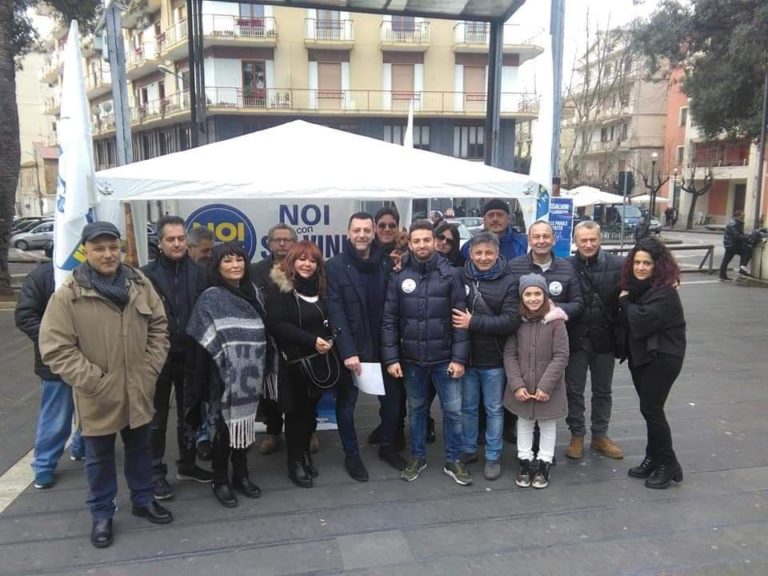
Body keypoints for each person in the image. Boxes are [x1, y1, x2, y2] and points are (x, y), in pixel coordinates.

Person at [40, 222, 171, 549]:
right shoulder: (70, 294)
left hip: (138, 388)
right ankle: (102, 514)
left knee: (140, 448)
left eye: (113, 247)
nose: (108, 254)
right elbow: (56, 347)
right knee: (99, 459)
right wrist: (92, 379)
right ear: (87, 251)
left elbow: (159, 327)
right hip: (97, 394)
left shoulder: (140, 284)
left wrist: (151, 367)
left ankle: (143, 500)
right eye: (99, 248)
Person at [186, 242, 278, 508]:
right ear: (217, 266)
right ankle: (220, 480)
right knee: (223, 430)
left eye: (239, 260)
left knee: (246, 424)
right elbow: (199, 336)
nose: (235, 265)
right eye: (228, 261)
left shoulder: (254, 293)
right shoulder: (210, 297)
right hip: (222, 376)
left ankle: (240, 474)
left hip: (250, 373)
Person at [381, 220, 471, 485]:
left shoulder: (451, 275)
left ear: (435, 242)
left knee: (453, 412)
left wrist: (459, 358)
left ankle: (453, 460)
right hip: (411, 360)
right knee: (417, 410)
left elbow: (460, 320)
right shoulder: (399, 276)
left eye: (426, 240)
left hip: (445, 359)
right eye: (416, 241)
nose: (422, 245)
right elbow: (389, 320)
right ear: (410, 244)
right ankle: (417, 457)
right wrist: (391, 359)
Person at [326, 213, 407, 479]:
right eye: (356, 230)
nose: (362, 235)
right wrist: (347, 351)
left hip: (384, 346)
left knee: (393, 402)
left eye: (366, 230)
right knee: (347, 405)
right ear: (348, 233)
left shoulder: (386, 263)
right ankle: (352, 454)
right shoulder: (334, 266)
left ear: (373, 233)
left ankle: (387, 446)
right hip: (353, 348)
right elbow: (335, 310)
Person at [141, 215, 211, 501]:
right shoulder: (145, 275)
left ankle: (188, 463)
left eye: (181, 238)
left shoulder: (201, 273)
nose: (177, 243)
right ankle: (155, 472)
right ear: (160, 243)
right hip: (158, 356)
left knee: (190, 413)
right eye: (171, 239)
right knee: (156, 417)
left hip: (192, 354)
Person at [265, 241, 340, 488]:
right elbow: (277, 325)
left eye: (312, 260)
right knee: (296, 415)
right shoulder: (281, 288)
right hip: (294, 364)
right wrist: (311, 340)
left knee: (310, 414)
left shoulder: (322, 288)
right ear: (292, 261)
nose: (307, 264)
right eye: (302, 259)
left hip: (319, 363)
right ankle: (294, 462)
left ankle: (305, 456)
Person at [507, 220, 584, 445]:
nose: (541, 241)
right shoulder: (515, 266)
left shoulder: (566, 267)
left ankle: (547, 451)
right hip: (524, 339)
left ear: (554, 239)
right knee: (525, 392)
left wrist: (555, 311)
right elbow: (510, 300)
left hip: (555, 341)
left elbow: (578, 302)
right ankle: (525, 449)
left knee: (551, 391)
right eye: (536, 236)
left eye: (545, 236)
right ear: (529, 240)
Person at [15, 243, 84, 489]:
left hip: (91, 359)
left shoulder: (88, 275)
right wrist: (54, 341)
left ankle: (81, 445)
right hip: (56, 363)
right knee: (56, 415)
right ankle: (44, 465)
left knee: (91, 409)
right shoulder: (41, 277)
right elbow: (25, 316)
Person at [619, 237, 686, 489]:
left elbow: (641, 321)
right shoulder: (638, 287)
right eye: (637, 262)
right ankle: (653, 456)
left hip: (663, 357)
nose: (640, 267)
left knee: (652, 409)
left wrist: (624, 302)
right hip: (642, 357)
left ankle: (668, 463)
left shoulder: (665, 293)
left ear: (658, 266)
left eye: (647, 263)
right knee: (649, 409)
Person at [452, 232, 519, 481]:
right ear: (470, 253)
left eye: (488, 253)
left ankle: (493, 455)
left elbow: (510, 321)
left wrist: (473, 322)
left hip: (494, 358)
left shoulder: (510, 281)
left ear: (497, 254)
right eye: (478, 253)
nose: (483, 258)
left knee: (493, 409)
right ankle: (469, 449)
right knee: (468, 408)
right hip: (467, 356)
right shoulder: (460, 276)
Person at [565, 221, 625, 460]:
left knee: (603, 391)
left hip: (605, 338)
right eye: (583, 240)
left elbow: (645, 277)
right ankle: (577, 434)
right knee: (574, 390)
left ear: (600, 239)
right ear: (575, 241)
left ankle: (600, 435)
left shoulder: (618, 264)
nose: (588, 244)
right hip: (576, 338)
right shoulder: (567, 266)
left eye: (592, 239)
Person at [503, 274, 569, 490]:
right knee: (524, 422)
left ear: (545, 294)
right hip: (522, 384)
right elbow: (510, 354)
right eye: (528, 294)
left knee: (548, 424)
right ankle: (524, 461)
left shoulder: (556, 322)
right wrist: (516, 384)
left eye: (537, 293)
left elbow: (561, 355)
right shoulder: (517, 322)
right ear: (522, 297)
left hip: (547, 385)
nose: (533, 298)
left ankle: (544, 463)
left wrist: (545, 386)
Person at [249, 224, 307, 456]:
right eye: (277, 240)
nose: (282, 244)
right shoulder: (255, 270)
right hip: (267, 340)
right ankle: (273, 432)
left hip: (298, 338)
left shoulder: (305, 266)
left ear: (294, 242)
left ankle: (308, 432)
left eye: (287, 240)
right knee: (270, 390)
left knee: (303, 391)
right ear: (268, 243)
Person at [461, 199, 527, 261]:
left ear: (508, 219)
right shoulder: (469, 246)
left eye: (500, 215)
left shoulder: (524, 243)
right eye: (490, 215)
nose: (495, 219)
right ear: (484, 220)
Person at [719, 210, 753, 281]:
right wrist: (748, 237)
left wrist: (746, 238)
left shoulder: (737, 223)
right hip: (732, 244)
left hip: (729, 244)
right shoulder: (733, 224)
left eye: (744, 216)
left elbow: (739, 235)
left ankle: (722, 275)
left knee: (726, 259)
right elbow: (737, 236)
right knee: (747, 251)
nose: (744, 217)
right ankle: (742, 270)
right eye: (742, 216)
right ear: (737, 216)